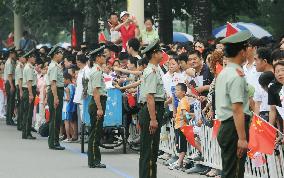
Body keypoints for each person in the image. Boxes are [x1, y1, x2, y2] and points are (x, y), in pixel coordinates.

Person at [215, 30, 252, 178]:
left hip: (227, 126)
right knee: (235, 173)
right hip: (234, 128)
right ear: (242, 52)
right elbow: (237, 109)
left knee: (230, 171)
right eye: (247, 48)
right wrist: (242, 138)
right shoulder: (236, 75)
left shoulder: (225, 72)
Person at [139, 39, 165, 178]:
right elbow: (150, 97)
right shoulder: (151, 71)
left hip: (154, 109)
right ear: (154, 54)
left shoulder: (154, 70)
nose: (162, 53)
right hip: (152, 111)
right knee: (149, 151)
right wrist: (153, 119)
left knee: (151, 150)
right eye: (160, 51)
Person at [87, 46, 107, 168]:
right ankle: (94, 160)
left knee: (95, 132)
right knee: (95, 133)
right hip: (97, 103)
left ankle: (93, 159)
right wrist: (99, 108)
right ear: (98, 57)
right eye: (103, 55)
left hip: (96, 102)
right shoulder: (97, 71)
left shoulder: (97, 69)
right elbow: (96, 91)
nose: (105, 57)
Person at [169, 83, 192, 170]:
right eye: (175, 90)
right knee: (179, 145)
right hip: (179, 126)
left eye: (178, 90)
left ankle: (179, 162)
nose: (175, 92)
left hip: (181, 126)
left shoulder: (183, 101)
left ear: (183, 92)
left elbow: (185, 114)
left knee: (181, 146)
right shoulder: (181, 101)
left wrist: (187, 120)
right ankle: (180, 162)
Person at [46, 45, 65, 150]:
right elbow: (53, 83)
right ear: (55, 55)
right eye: (60, 53)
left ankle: (54, 141)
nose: (61, 55)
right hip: (55, 92)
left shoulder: (55, 65)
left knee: (56, 118)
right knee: (55, 118)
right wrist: (56, 97)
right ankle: (54, 142)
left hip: (57, 91)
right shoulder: (53, 66)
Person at [21, 49, 37, 139]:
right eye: (33, 57)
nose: (35, 59)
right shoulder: (29, 68)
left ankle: (26, 133)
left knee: (27, 112)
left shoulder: (29, 67)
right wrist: (31, 94)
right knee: (28, 113)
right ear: (29, 58)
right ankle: (26, 133)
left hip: (29, 91)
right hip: (28, 91)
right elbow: (29, 82)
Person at [4, 47, 17, 125]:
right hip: (10, 83)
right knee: (10, 102)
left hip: (10, 82)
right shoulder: (9, 62)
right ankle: (9, 120)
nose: (15, 55)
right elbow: (9, 75)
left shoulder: (12, 62)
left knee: (11, 102)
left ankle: (9, 119)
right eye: (14, 53)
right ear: (11, 54)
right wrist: (12, 85)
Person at [62, 73, 76, 143]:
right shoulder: (73, 86)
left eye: (64, 79)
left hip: (66, 107)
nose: (63, 81)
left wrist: (63, 98)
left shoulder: (67, 88)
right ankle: (73, 136)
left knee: (66, 122)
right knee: (70, 122)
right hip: (72, 106)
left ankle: (68, 137)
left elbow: (67, 99)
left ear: (67, 79)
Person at [15, 52, 27, 131]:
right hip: (20, 87)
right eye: (24, 57)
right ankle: (20, 125)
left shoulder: (22, 66)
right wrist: (20, 91)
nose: (25, 59)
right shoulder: (19, 67)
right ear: (20, 58)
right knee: (21, 107)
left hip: (20, 87)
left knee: (21, 107)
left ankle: (20, 124)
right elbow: (20, 80)